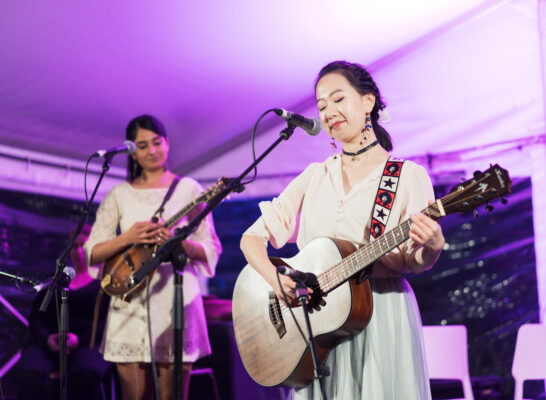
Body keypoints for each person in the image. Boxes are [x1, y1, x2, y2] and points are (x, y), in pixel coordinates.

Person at [240, 61, 445, 399]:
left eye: (338, 99)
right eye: (321, 106)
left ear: (368, 102)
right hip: (317, 323)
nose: (329, 112)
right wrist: (275, 279)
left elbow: (416, 260)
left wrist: (433, 246)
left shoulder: (407, 176)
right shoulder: (315, 175)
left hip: (379, 314)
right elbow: (252, 239)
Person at [83, 115, 222, 400]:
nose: (152, 151)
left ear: (167, 143)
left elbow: (210, 247)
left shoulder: (189, 189)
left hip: (176, 302)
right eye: (143, 146)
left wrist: (179, 245)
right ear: (132, 151)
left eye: (157, 142)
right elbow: (93, 251)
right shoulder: (119, 194)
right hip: (131, 300)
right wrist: (128, 238)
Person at [14, 225, 110, 400]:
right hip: (50, 343)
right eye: (74, 246)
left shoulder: (104, 283)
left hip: (88, 344)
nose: (79, 252)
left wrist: (79, 340)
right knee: (28, 371)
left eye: (85, 246)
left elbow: (109, 323)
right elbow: (36, 317)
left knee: (83, 375)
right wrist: (47, 339)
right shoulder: (55, 279)